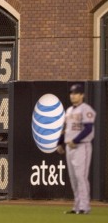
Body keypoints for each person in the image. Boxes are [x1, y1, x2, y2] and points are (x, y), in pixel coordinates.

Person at [57, 83, 96, 215]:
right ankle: (77, 207)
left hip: (82, 146)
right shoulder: (68, 111)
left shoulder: (86, 109)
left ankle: (85, 207)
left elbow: (88, 128)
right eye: (71, 93)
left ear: (82, 95)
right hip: (69, 147)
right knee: (73, 178)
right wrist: (59, 143)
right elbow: (65, 130)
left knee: (81, 177)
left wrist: (75, 140)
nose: (73, 96)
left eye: (76, 93)